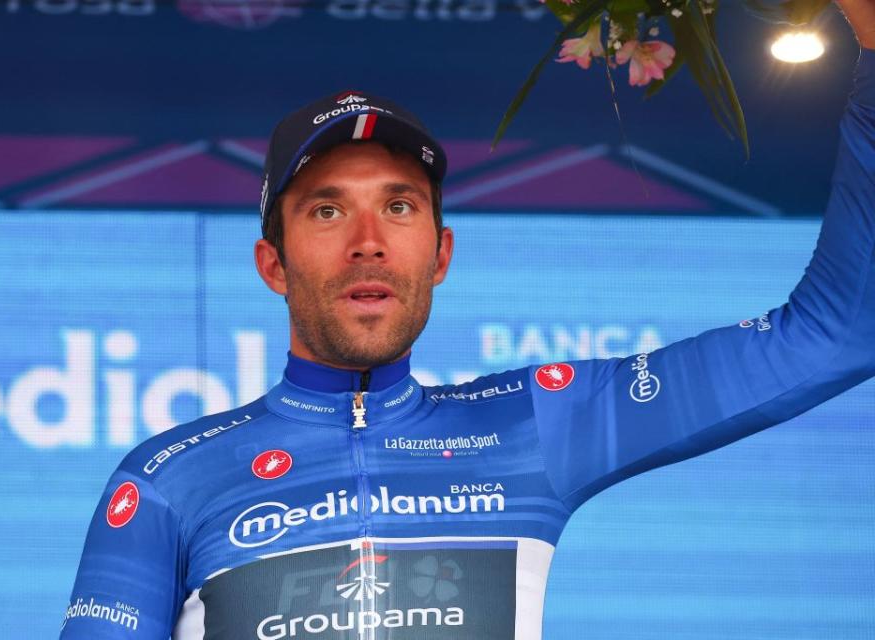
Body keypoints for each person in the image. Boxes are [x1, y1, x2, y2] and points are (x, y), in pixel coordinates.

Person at [60, 3, 875, 638]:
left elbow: (842, 331)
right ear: (272, 262)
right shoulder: (167, 478)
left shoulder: (538, 423)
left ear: (441, 254)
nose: (369, 244)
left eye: (400, 207)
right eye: (327, 211)